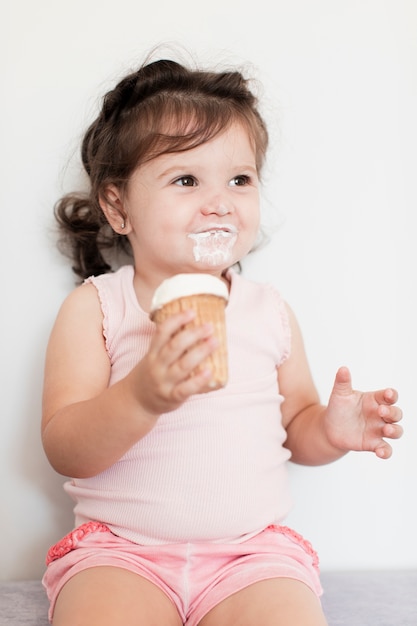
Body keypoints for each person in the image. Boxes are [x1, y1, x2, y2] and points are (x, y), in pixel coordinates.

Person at [41, 54, 403, 626]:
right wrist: (141, 397)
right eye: (186, 180)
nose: (220, 202)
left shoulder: (268, 311)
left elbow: (297, 427)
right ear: (118, 206)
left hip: (249, 555)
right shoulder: (97, 308)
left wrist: (330, 431)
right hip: (123, 552)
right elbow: (64, 445)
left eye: (239, 179)